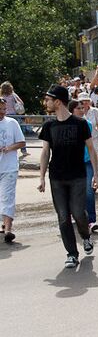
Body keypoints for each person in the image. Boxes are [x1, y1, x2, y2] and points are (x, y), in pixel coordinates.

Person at [38, 85, 98, 268]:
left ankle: (86, 237)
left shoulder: (80, 124)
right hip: (56, 177)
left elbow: (91, 148)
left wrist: (96, 174)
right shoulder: (49, 125)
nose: (46, 102)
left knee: (78, 213)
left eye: (48, 99)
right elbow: (44, 151)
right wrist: (41, 177)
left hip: (78, 176)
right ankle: (72, 253)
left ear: (58, 101)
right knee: (63, 217)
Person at [70, 99, 98, 233]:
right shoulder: (66, 125)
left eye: (83, 108)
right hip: (72, 163)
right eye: (79, 108)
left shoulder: (87, 124)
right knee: (72, 192)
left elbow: (91, 147)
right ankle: (74, 215)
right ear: (71, 110)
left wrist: (96, 172)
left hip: (86, 161)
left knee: (88, 191)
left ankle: (91, 220)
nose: (82, 110)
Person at [0, 97, 25, 243]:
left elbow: (22, 142)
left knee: (7, 197)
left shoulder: (12, 123)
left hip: (9, 167)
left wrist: (9, 148)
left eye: (4, 109)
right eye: (0, 109)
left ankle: (8, 229)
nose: (2, 112)